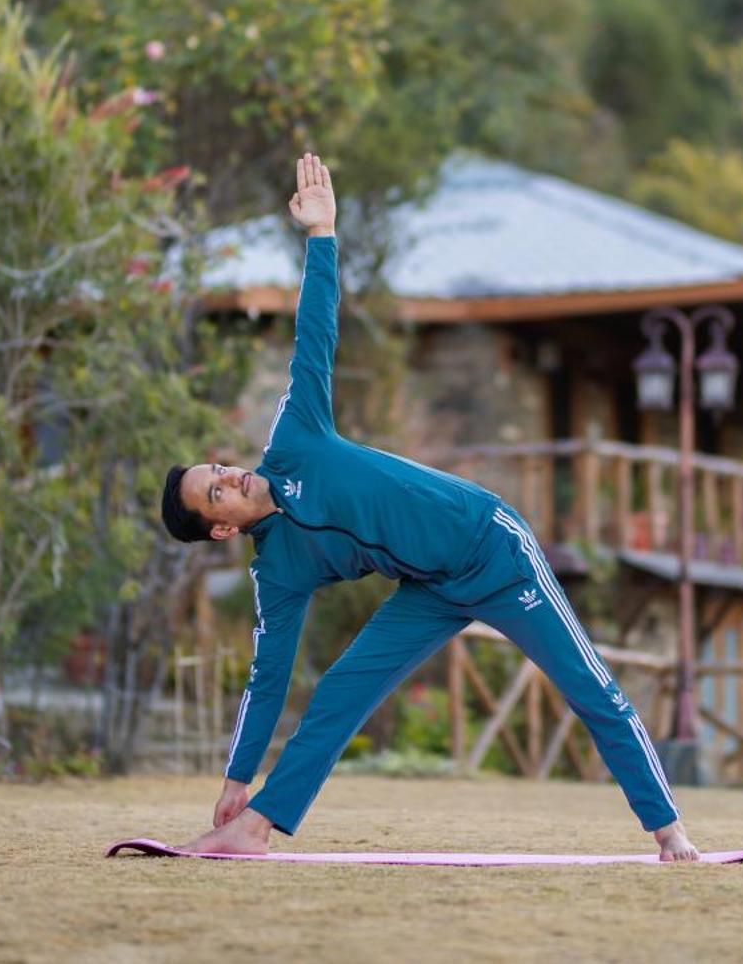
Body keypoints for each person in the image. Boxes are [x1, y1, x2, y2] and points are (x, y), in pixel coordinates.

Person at [162, 153, 700, 861]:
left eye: (217, 467)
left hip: (492, 546)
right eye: (214, 490)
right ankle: (253, 829)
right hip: (432, 588)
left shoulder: (294, 437)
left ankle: (672, 834)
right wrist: (236, 777)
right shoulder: (279, 573)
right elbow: (269, 677)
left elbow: (314, 334)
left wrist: (322, 235)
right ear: (223, 525)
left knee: (589, 685)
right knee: (337, 694)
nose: (228, 473)